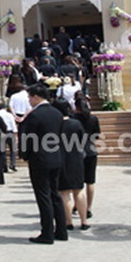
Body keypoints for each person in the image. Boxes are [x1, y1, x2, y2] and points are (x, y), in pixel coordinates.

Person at [20, 83, 68, 244]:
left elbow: (28, 138)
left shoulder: (34, 115)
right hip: (56, 157)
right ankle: (61, 230)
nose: (29, 101)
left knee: (43, 195)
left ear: (35, 97)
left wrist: (24, 155)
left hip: (40, 159)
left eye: (29, 97)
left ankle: (47, 232)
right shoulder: (57, 113)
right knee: (55, 194)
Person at [52, 98, 89, 231]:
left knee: (64, 192)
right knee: (79, 190)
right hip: (76, 158)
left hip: (61, 158)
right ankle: (84, 220)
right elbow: (83, 140)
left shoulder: (55, 125)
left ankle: (68, 222)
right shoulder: (76, 123)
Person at [74, 95, 101, 218]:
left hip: (76, 151)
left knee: (77, 182)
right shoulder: (93, 119)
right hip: (90, 149)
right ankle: (89, 207)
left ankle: (77, 204)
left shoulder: (73, 120)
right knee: (90, 181)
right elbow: (96, 135)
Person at [0, 104, 18, 171]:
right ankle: (12, 164)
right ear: (5, 108)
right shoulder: (9, 115)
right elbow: (13, 124)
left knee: (3, 151)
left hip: (1, 133)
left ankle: (4, 166)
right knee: (13, 149)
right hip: (10, 132)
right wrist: (15, 134)